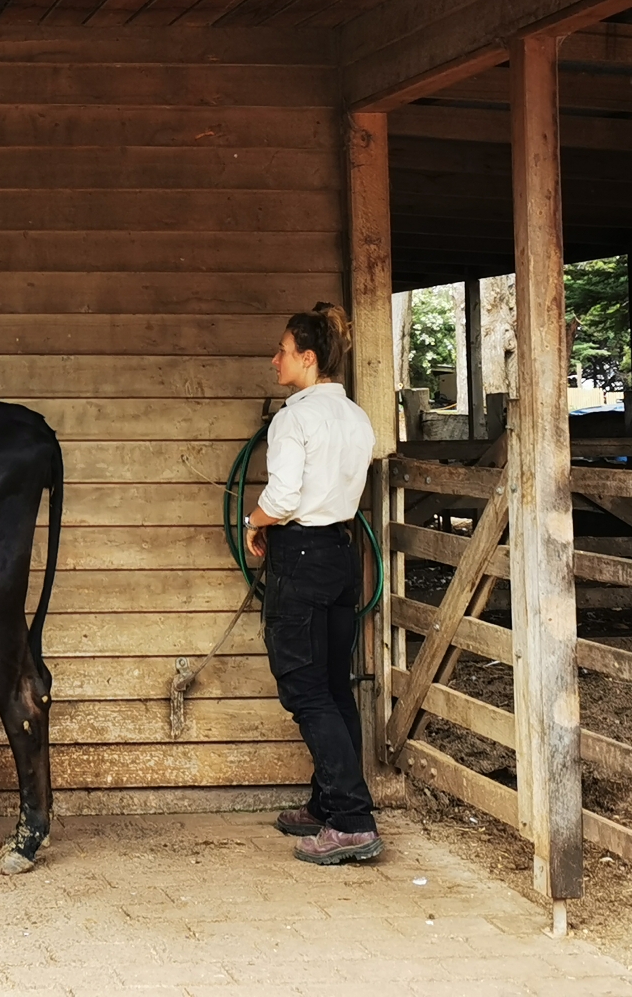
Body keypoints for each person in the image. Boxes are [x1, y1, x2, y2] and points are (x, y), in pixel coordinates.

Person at [243, 303, 381, 865]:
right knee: (332, 684)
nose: (274, 358)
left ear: (308, 357)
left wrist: (255, 522)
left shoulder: (293, 419)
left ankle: (351, 819)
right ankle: (329, 804)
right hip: (341, 554)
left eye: (282, 349)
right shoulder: (356, 417)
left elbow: (282, 498)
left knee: (304, 690)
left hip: (299, 553)